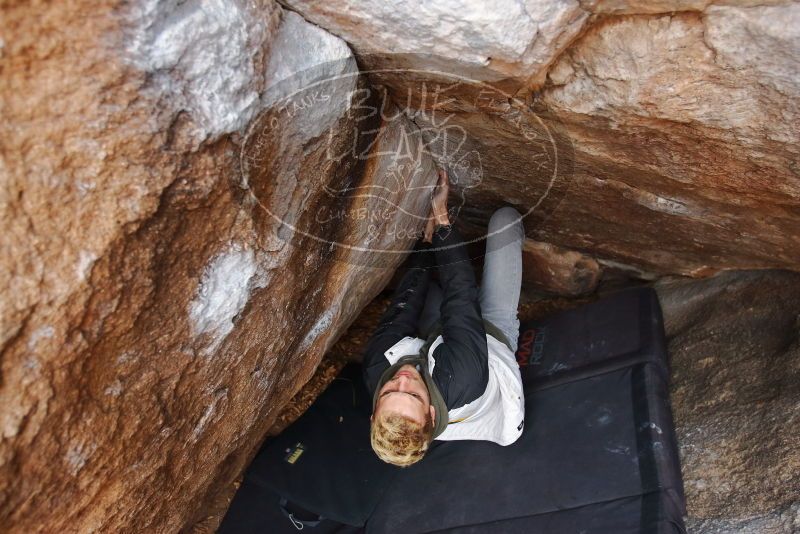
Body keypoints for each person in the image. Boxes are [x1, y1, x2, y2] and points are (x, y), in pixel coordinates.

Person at [362, 168, 525, 467]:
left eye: (389, 391)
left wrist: (426, 242)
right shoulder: (463, 377)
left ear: (374, 410)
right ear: (432, 413)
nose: (403, 379)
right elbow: (461, 296)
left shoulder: (376, 369)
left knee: (429, 290)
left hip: (442, 342)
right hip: (490, 336)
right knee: (504, 220)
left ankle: (453, 259)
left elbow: (405, 303)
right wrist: (441, 220)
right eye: (413, 394)